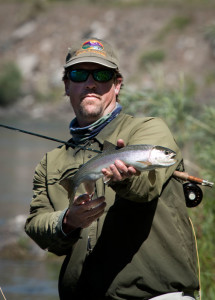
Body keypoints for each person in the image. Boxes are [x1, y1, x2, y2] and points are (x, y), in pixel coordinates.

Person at [25, 38, 200, 300]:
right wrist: (67, 222)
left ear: (117, 85)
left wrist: (124, 181)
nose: (90, 83)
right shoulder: (51, 163)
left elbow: (146, 189)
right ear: (67, 85)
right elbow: (36, 225)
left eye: (102, 74)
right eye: (79, 74)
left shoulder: (149, 130)